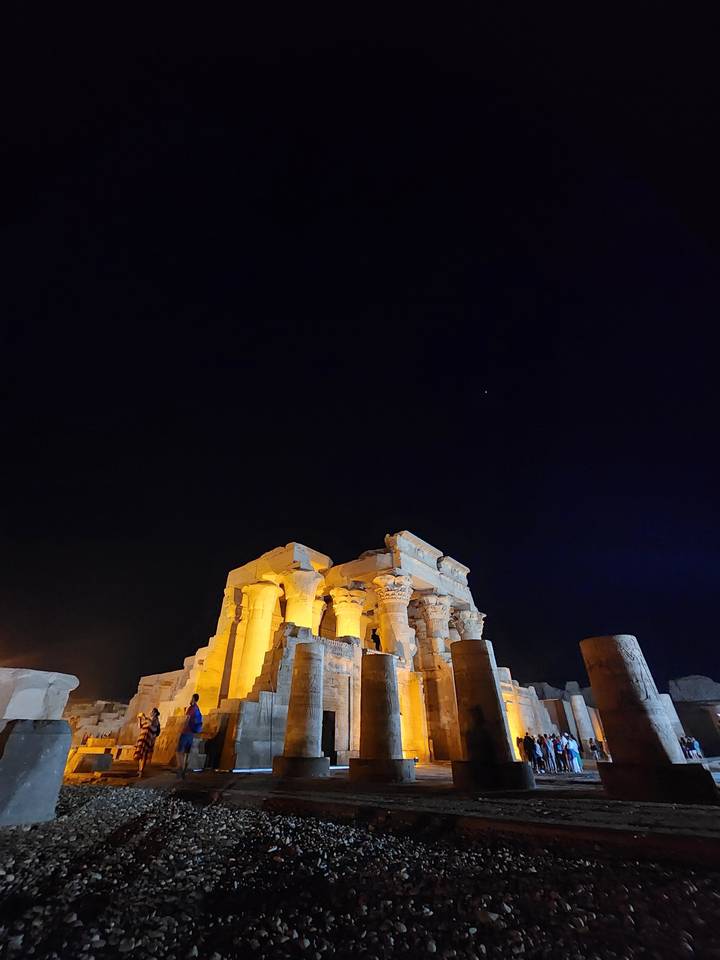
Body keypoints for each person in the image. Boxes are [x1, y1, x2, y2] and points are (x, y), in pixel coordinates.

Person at [176, 693, 203, 778]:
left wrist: (181, 728)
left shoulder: (192, 708)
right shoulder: (197, 708)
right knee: (186, 752)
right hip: (192, 732)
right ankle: (184, 769)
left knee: (179, 751)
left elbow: (187, 718)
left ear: (193, 699)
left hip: (186, 731)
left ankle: (180, 768)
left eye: (191, 698)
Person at [134, 707, 161, 777]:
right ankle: (139, 770)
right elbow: (140, 726)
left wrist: (144, 717)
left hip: (148, 739)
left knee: (144, 755)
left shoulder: (155, 720)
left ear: (155, 713)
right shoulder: (148, 719)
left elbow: (151, 724)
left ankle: (141, 770)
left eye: (152, 711)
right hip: (142, 737)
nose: (150, 712)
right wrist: (139, 719)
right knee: (141, 754)